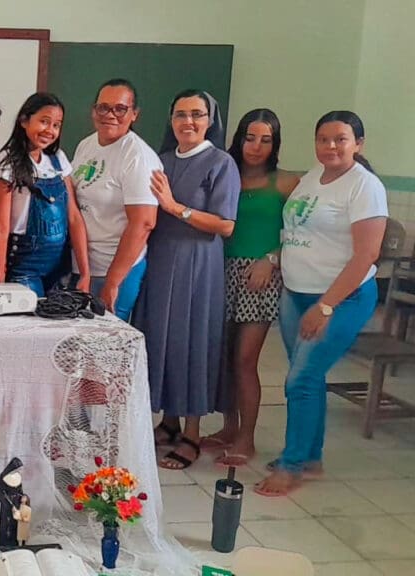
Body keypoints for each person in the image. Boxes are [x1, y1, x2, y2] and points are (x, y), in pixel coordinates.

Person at [255, 111, 386, 496]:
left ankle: (292, 465)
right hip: (297, 293)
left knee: (300, 380)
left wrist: (326, 306)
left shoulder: (364, 186)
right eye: (323, 139)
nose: (330, 146)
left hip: (341, 299)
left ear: (358, 144)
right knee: (308, 377)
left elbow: (366, 255)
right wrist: (274, 258)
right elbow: (295, 232)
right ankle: (310, 458)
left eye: (340, 139)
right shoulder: (313, 178)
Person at [136, 89, 240, 470]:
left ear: (210, 120)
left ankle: (192, 433)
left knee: (191, 341)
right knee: (161, 339)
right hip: (161, 261)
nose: (188, 122)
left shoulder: (221, 163)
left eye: (197, 114)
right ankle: (169, 422)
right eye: (180, 114)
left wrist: (175, 208)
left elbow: (225, 225)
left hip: (198, 266)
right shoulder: (161, 160)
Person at [210, 109, 299, 467]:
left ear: (275, 144)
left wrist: (272, 259)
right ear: (239, 138)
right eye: (250, 138)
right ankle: (229, 428)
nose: (256, 147)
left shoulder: (286, 182)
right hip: (220, 272)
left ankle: (247, 439)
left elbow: (301, 232)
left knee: (246, 360)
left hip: (259, 276)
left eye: (266, 140)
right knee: (225, 359)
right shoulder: (226, 173)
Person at [69, 79, 160, 321]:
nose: (110, 115)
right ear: (93, 111)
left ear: (134, 114)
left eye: (120, 109)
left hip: (117, 271)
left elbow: (144, 223)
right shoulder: (86, 145)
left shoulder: (137, 156)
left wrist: (113, 282)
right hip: (83, 267)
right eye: (103, 108)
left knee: (106, 339)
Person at [0, 92, 90, 296]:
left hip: (59, 266)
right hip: (24, 266)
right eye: (44, 121)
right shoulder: (7, 163)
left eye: (56, 125)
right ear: (24, 121)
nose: (50, 130)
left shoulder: (58, 159)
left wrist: (85, 273)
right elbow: (0, 227)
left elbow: (74, 217)